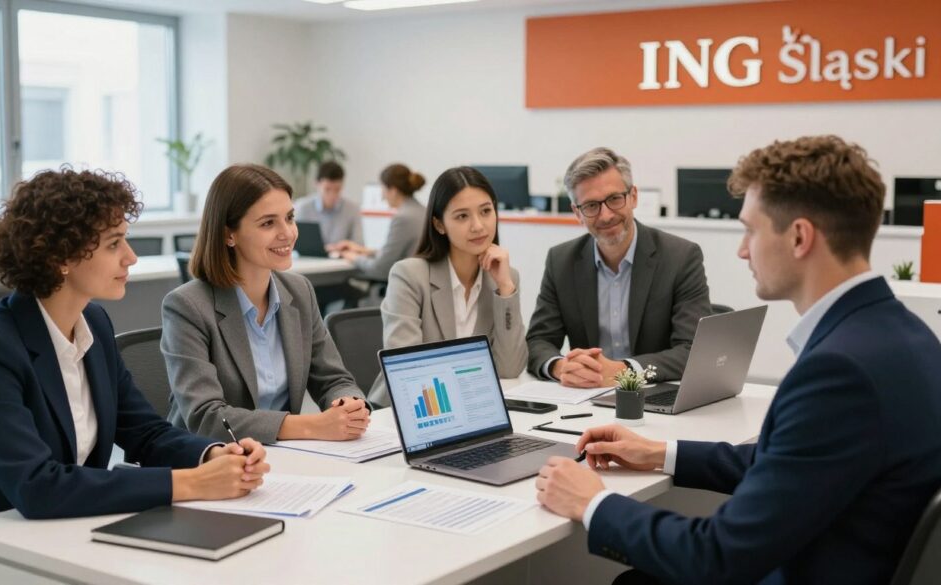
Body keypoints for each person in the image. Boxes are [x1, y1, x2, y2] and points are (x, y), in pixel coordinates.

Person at [535, 136, 941, 584]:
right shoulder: (904, 335)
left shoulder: (838, 371)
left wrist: (593, 503)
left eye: (750, 229)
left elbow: (716, 556)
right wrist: (658, 452)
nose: (742, 250)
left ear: (800, 237)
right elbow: (788, 462)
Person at [0, 168, 269, 585]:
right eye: (113, 244)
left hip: (68, 535)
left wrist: (211, 455)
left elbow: (146, 433)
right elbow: (37, 486)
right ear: (61, 257)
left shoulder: (94, 325)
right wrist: (191, 484)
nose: (131, 257)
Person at [161, 164, 370, 446]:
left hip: (283, 458)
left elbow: (333, 378)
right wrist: (312, 426)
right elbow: (207, 418)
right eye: (268, 223)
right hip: (213, 463)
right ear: (228, 235)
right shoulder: (187, 306)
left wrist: (346, 403)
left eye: (289, 217)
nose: (287, 233)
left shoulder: (299, 291)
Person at [526, 147, 710, 387]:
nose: (605, 215)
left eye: (614, 199)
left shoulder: (681, 257)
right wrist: (562, 367)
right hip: (586, 399)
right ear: (577, 213)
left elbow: (692, 350)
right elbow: (538, 341)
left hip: (655, 398)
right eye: (591, 206)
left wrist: (624, 371)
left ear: (633, 196)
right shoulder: (561, 261)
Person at [366, 167, 528, 407]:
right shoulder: (410, 275)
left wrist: (505, 288)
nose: (478, 226)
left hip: (472, 410)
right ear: (439, 224)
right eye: (462, 216)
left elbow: (511, 368)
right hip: (406, 413)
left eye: (486, 211)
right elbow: (408, 371)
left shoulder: (504, 277)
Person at [329, 163, 426, 282]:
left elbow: (379, 269)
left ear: (393, 191)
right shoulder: (422, 212)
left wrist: (353, 257)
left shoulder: (403, 218)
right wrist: (365, 251)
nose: (382, 197)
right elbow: (398, 254)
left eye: (383, 189)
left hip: (406, 286)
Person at [294, 160, 363, 247]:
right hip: (308, 259)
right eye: (327, 189)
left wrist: (347, 247)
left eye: (337, 189)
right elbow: (292, 242)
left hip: (340, 259)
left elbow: (359, 245)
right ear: (317, 184)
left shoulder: (353, 209)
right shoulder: (301, 207)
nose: (332, 195)